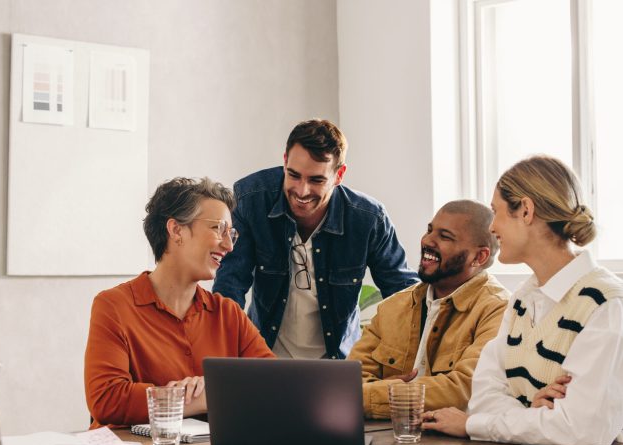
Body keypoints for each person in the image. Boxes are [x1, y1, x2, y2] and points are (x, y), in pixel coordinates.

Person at [423, 155, 623, 445]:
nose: (492, 227)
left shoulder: (606, 304)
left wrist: (472, 425)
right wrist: (532, 407)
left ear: (526, 211)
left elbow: (579, 428)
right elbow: (484, 398)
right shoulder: (521, 300)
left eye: (497, 211)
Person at [213, 119, 418, 360]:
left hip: (337, 364)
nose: (302, 191)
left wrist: (395, 362)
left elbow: (404, 296)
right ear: (285, 161)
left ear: (339, 175)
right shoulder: (251, 199)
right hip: (265, 358)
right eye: (294, 175)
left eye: (316, 180)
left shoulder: (369, 219)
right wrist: (225, 360)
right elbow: (230, 287)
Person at [84, 177, 274, 428]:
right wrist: (195, 399)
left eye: (232, 233)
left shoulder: (228, 314)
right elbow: (107, 400)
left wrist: (211, 393)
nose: (228, 245)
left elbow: (274, 386)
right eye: (218, 229)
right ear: (176, 230)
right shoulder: (113, 306)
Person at [348, 200, 509, 419]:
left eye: (445, 236)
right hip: (388, 435)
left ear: (478, 257)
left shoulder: (498, 309)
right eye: (429, 230)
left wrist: (384, 393)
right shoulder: (393, 307)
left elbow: (462, 388)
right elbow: (351, 381)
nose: (427, 241)